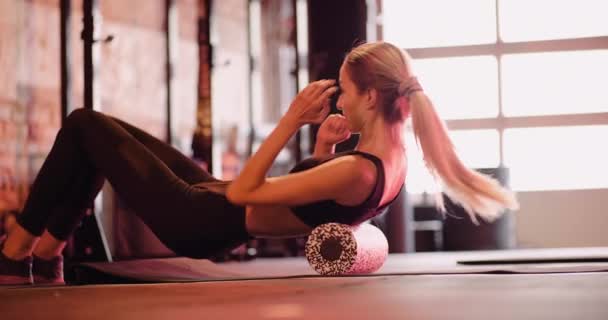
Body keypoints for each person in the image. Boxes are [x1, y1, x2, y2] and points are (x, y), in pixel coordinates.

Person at [0, 41, 518, 286]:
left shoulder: (358, 169)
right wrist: (321, 152)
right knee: (101, 137)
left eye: (345, 91)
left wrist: (291, 120)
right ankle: (47, 253)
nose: (339, 102)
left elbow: (249, 193)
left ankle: (20, 247)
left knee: (86, 124)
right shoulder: (388, 160)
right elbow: (319, 207)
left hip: (201, 219)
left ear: (371, 97)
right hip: (212, 199)